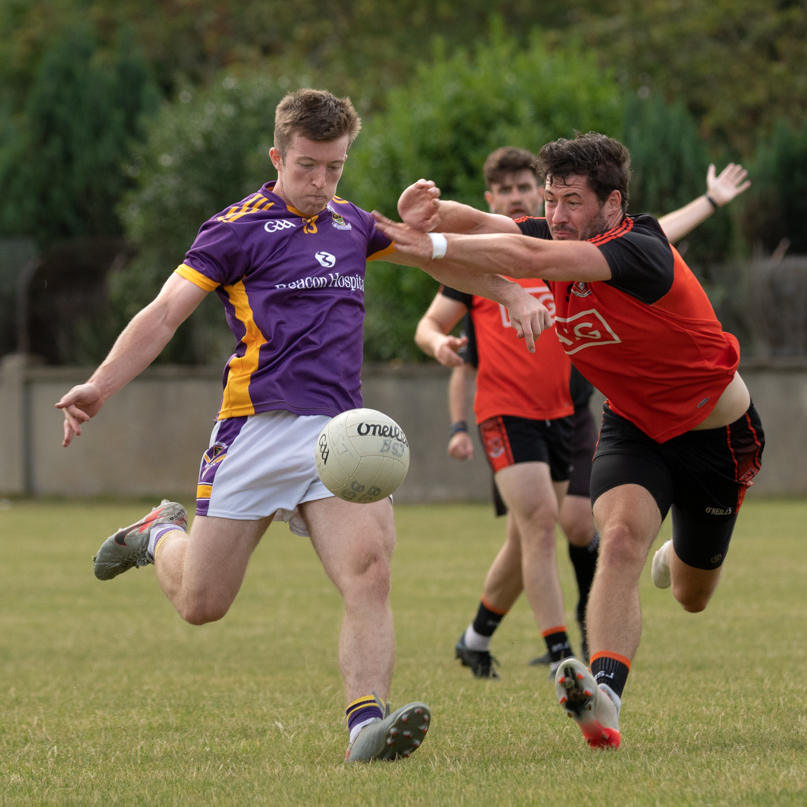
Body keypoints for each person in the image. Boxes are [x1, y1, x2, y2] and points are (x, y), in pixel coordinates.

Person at [55, 89, 545, 763]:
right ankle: (157, 533)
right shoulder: (235, 228)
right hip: (253, 431)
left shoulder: (352, 223)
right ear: (277, 156)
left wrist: (511, 290)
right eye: (307, 166)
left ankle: (364, 723)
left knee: (368, 573)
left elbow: (431, 254)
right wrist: (99, 386)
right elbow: (164, 313)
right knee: (202, 602)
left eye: (334, 168)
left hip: (342, 438)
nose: (320, 182)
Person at [374, 132, 764, 750]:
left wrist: (423, 242)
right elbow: (481, 221)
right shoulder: (557, 230)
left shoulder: (640, 249)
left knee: (691, 594)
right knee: (617, 535)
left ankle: (679, 555)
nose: (556, 216)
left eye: (572, 201)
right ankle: (605, 698)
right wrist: (421, 213)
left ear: (612, 204)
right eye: (551, 199)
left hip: (717, 437)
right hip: (634, 427)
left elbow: (529, 261)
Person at [415, 147, 593, 681]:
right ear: (492, 198)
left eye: (526, 189)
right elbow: (428, 323)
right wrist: (439, 346)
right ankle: (561, 651)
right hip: (504, 413)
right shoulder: (479, 262)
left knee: (525, 539)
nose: (518, 199)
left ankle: (475, 638)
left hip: (563, 411)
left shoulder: (559, 251)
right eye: (507, 190)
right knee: (541, 525)